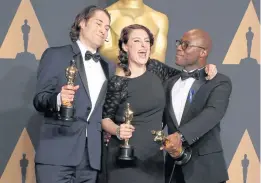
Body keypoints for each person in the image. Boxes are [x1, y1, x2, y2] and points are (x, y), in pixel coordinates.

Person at [99, 24, 217, 183]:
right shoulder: (117, 83)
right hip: (124, 156)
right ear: (125, 46)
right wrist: (118, 130)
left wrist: (206, 69)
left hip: (153, 157)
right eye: (137, 41)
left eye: (147, 41)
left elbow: (186, 76)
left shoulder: (156, 69)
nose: (143, 45)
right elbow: (105, 118)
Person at [33, 5, 115, 183]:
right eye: (99, 23)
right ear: (82, 23)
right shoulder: (56, 55)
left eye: (107, 28)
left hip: (91, 160)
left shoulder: (108, 67)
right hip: (57, 155)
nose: (103, 30)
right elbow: (39, 99)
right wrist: (58, 99)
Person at [162, 29, 232, 183]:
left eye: (186, 44)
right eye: (179, 43)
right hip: (173, 171)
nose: (179, 47)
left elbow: (212, 113)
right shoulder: (169, 83)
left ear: (203, 53)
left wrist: (179, 136)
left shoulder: (218, 81)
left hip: (206, 172)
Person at [99, 0, 169, 63]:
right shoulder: (107, 15)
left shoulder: (160, 19)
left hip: (150, 74)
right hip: (118, 73)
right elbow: (105, 51)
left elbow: (159, 55)